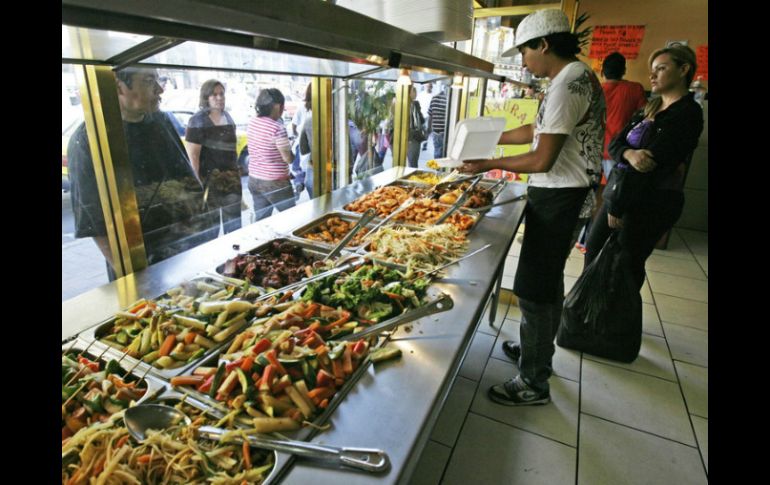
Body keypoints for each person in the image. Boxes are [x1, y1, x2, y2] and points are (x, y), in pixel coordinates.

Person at [459, 9, 605, 406]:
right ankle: (537, 354)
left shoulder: (568, 83)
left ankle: (534, 382)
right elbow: (536, 131)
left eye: (525, 52)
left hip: (561, 196)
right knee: (546, 284)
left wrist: (489, 162)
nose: (524, 61)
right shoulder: (572, 76)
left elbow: (542, 158)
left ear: (544, 44)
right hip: (564, 194)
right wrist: (487, 140)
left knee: (535, 290)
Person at [67, 67, 218, 280]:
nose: (160, 89)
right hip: (142, 263)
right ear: (119, 88)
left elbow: (187, 183)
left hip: (185, 251)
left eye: (158, 80)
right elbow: (95, 223)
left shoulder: (161, 122)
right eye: (148, 82)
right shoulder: (88, 141)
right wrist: (136, 279)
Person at [584, 43, 703, 292]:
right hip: (620, 193)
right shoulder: (649, 107)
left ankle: (617, 325)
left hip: (651, 201)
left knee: (625, 265)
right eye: (652, 69)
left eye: (661, 68)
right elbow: (617, 143)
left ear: (683, 69)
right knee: (593, 249)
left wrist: (618, 205)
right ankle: (587, 312)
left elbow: (651, 165)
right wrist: (628, 152)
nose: (652, 75)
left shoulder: (687, 113)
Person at [575, 52, 647, 253]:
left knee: (590, 196)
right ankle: (601, 241)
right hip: (618, 154)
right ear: (624, 70)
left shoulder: (595, 89)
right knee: (613, 199)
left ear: (602, 70)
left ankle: (583, 239)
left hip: (590, 152)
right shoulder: (634, 89)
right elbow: (645, 119)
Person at [185, 79, 242, 234]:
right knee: (211, 229)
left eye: (221, 94)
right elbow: (193, 158)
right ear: (206, 97)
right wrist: (198, 188)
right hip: (209, 184)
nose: (219, 98)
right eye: (214, 94)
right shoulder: (197, 120)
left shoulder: (228, 117)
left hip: (231, 183)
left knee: (235, 228)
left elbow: (232, 151)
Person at [246, 88, 296, 221]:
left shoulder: (252, 122)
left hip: (254, 179)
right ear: (277, 106)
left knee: (262, 221)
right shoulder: (277, 128)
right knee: (291, 219)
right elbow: (288, 158)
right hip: (275, 183)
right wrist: (293, 152)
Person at [289, 84, 310, 198]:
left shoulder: (302, 107)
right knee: (309, 168)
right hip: (315, 146)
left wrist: (298, 136)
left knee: (299, 168)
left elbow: (293, 125)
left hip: (301, 143)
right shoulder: (325, 106)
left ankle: (298, 183)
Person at [298, 87, 314, 199]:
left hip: (313, 174)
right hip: (336, 173)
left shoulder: (308, 122)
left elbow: (303, 150)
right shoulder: (341, 119)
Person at [407, 85, 426, 168]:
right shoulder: (413, 104)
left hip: (410, 137)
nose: (416, 93)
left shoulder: (413, 104)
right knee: (413, 162)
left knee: (411, 162)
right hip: (413, 137)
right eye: (414, 91)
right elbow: (420, 121)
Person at [427, 85, 448, 158]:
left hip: (435, 131)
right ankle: (441, 168)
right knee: (444, 153)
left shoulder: (434, 98)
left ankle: (437, 168)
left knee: (437, 152)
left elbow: (430, 115)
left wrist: (429, 129)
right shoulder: (448, 99)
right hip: (445, 132)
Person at [416, 83, 434, 151]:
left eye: (430, 86)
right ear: (425, 86)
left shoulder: (433, 96)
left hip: (428, 115)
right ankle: (421, 141)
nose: (429, 87)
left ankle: (425, 143)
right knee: (420, 129)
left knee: (427, 130)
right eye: (428, 86)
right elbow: (417, 104)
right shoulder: (421, 95)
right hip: (421, 114)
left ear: (431, 87)